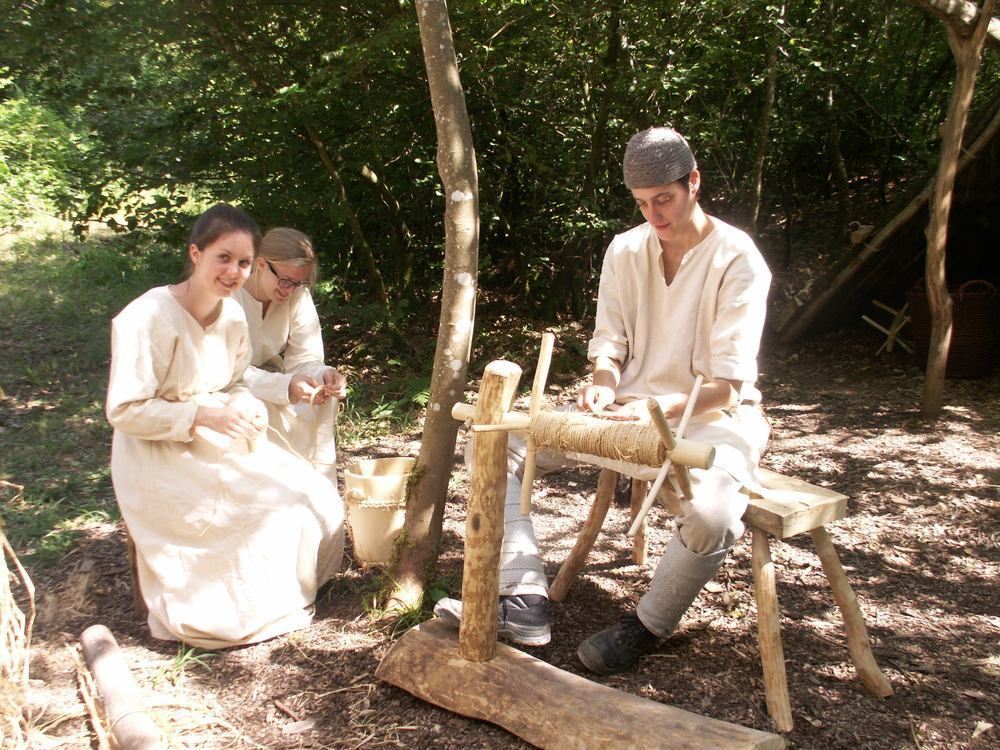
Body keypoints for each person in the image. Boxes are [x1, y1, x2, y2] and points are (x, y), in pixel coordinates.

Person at [435, 127, 772, 676]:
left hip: (711, 416)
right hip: (627, 412)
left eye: (664, 199)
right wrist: (605, 382)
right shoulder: (626, 247)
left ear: (693, 181)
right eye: (642, 203)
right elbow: (610, 342)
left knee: (713, 515)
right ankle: (522, 597)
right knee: (495, 441)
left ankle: (648, 626)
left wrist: (657, 407)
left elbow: (728, 385)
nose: (654, 215)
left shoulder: (738, 258)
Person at [106, 204, 345, 650]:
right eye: (223, 258)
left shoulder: (230, 318)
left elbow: (235, 383)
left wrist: (244, 407)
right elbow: (125, 410)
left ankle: (280, 600)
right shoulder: (146, 316)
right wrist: (201, 416)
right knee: (257, 518)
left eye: (242, 262)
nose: (233, 271)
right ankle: (228, 616)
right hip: (159, 453)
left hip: (221, 437)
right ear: (195, 254)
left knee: (313, 499)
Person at [234, 227, 347, 480]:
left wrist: (324, 375)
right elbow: (227, 372)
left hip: (273, 378)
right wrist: (286, 386)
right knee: (250, 406)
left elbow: (305, 357)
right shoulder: (229, 296)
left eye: (299, 283)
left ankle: (317, 489)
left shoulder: (297, 294)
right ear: (261, 264)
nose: (289, 290)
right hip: (227, 387)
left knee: (323, 401)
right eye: (285, 281)